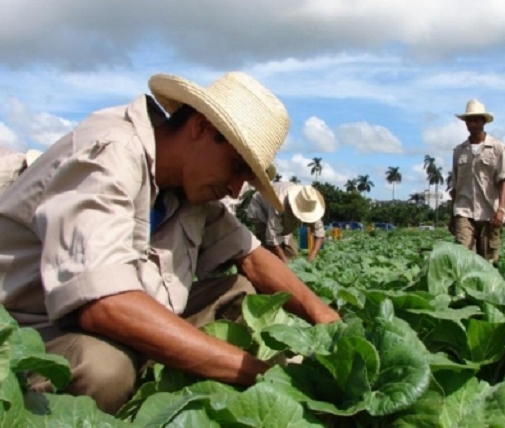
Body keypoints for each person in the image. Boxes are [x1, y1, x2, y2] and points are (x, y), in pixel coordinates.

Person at [0, 71, 340, 414]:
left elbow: (251, 256)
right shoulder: (110, 154)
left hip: (129, 323)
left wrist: (326, 319)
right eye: (237, 167)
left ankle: (158, 375)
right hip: (40, 332)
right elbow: (103, 306)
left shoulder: (188, 186)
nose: (237, 189)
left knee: (240, 291)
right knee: (104, 370)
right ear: (201, 128)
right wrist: (257, 372)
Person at [449, 99, 505, 263]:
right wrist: (452, 215)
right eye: (469, 120)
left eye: (476, 119)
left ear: (484, 121)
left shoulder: (497, 148)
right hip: (464, 211)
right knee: (463, 257)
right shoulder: (459, 151)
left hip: (489, 212)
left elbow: (503, 180)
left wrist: (501, 210)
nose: (472, 123)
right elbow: (454, 186)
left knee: (488, 260)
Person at [247, 181, 326, 262]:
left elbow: (319, 231)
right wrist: (284, 263)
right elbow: (272, 236)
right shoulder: (280, 202)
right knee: (271, 257)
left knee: (292, 255)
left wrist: (312, 255)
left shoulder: (310, 204)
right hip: (261, 210)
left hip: (284, 223)